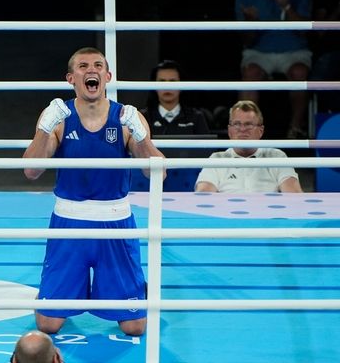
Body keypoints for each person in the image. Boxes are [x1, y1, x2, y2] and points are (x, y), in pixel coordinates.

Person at [23, 47, 164, 336]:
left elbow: (155, 173)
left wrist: (141, 137)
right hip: (68, 224)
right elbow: (31, 171)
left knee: (135, 327)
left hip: (115, 225)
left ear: (107, 75)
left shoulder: (126, 117)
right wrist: (43, 128)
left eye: (98, 65)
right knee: (47, 325)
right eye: (84, 65)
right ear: (71, 78)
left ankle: (133, 287)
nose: (92, 69)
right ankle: (52, 292)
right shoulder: (58, 117)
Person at [235, 0, 313, 139]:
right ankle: (247, 131)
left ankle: (295, 129)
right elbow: (246, 41)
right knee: (250, 73)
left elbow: (305, 32)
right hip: (259, 52)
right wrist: (251, 22)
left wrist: (287, 7)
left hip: (295, 51)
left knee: (300, 73)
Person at [195, 100, 303, 192]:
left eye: (248, 124)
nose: (242, 129)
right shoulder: (217, 159)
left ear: (261, 131)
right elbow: (204, 194)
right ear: (229, 131)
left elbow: (294, 194)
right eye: (237, 124)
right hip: (227, 214)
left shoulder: (276, 156)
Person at [140, 59, 211, 136]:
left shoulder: (196, 117)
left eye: (172, 81)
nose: (167, 86)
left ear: (182, 84)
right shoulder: (143, 117)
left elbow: (207, 148)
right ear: (154, 85)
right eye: (162, 81)